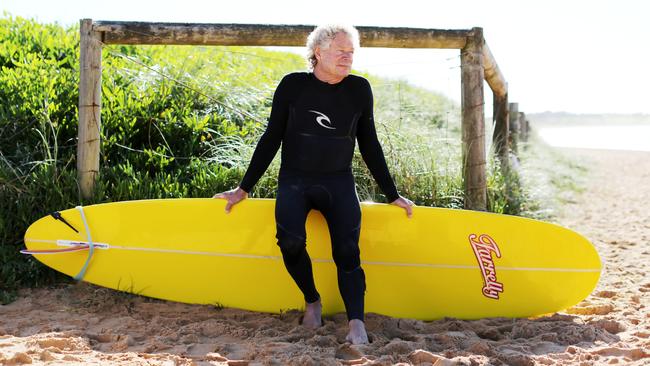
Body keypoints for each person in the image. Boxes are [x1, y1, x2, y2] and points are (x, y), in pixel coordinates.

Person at [214, 24, 413, 345]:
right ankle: (312, 300)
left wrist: (392, 194)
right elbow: (271, 138)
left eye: (352, 52)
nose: (348, 57)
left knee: (348, 251)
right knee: (290, 242)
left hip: (338, 182)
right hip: (296, 180)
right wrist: (244, 188)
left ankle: (357, 323)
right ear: (318, 52)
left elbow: (370, 145)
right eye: (341, 51)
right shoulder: (293, 86)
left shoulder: (359, 90)